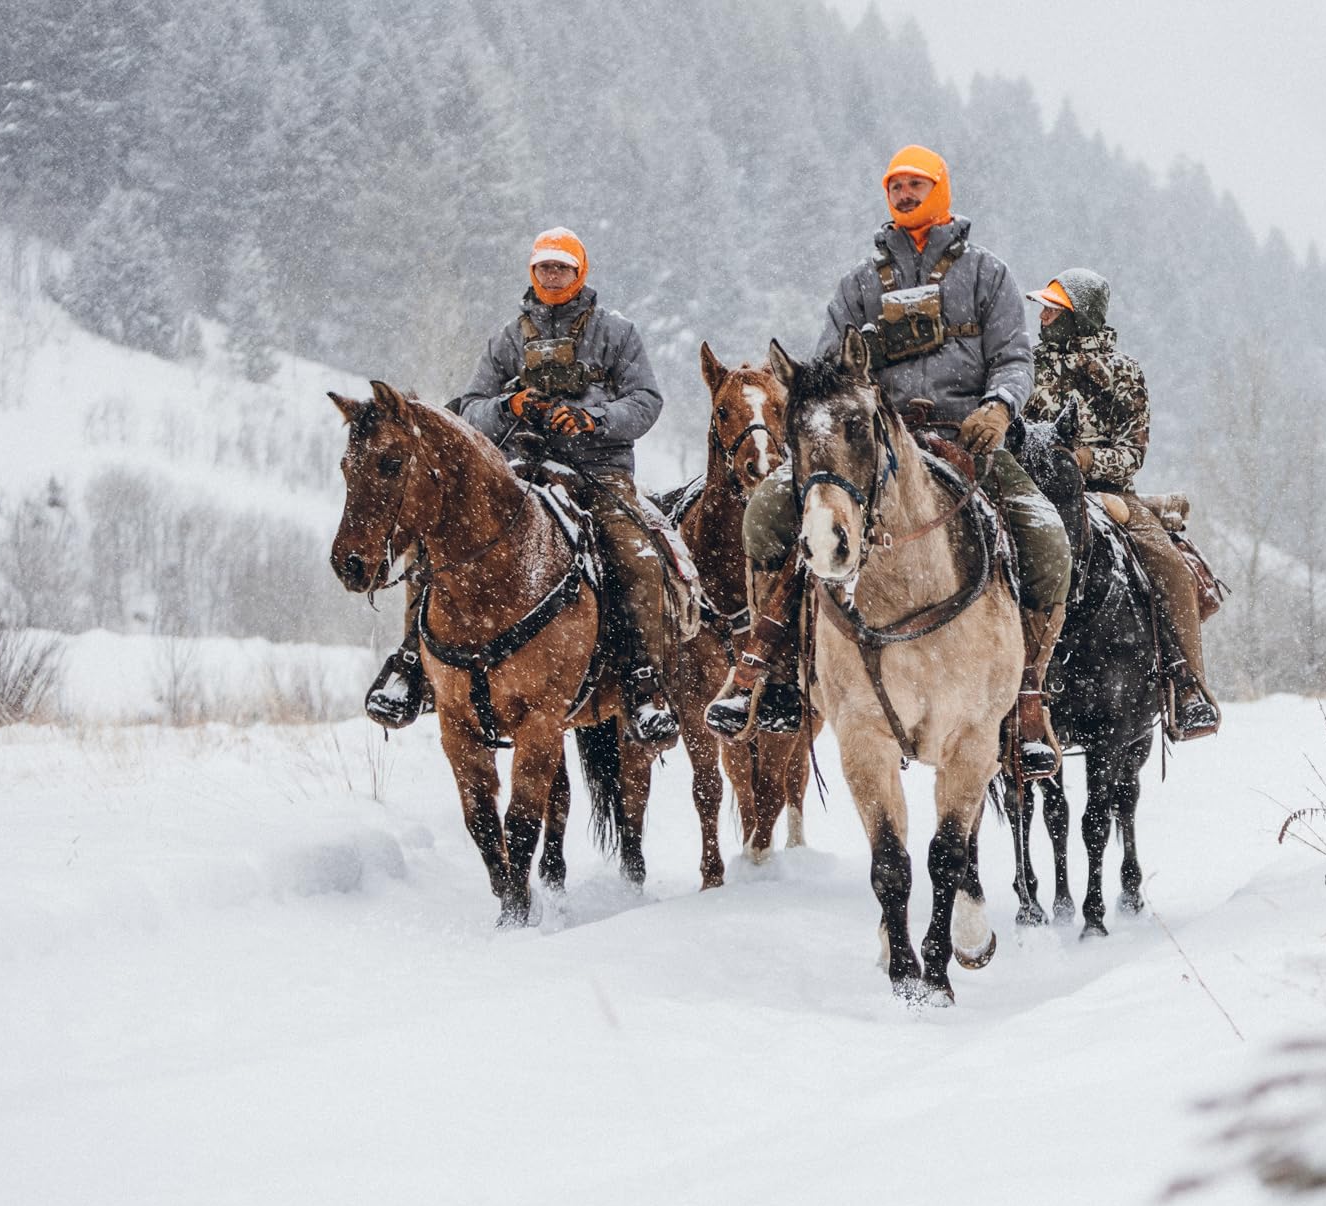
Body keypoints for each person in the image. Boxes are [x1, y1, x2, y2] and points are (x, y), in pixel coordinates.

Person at [708, 147, 1074, 768]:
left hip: (970, 440)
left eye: (915, 185)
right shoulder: (857, 285)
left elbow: (1015, 354)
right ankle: (765, 669)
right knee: (767, 515)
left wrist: (1000, 406)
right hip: (872, 443)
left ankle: (1029, 698)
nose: (903, 194)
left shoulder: (988, 274)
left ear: (940, 190)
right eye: (895, 186)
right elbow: (825, 368)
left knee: (1047, 541)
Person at [362, 227, 683, 746]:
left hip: (598, 472)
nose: (552, 275)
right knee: (431, 546)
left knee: (635, 553)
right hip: (517, 469)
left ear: (581, 273)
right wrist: (509, 408)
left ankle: (642, 682)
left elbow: (646, 400)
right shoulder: (506, 339)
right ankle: (409, 667)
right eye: (544, 267)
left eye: (562, 268)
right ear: (531, 273)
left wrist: (592, 420)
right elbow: (468, 410)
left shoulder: (617, 334)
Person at [1026, 269, 1220, 738]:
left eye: (1054, 307)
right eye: (1044, 307)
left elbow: (1132, 453)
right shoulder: (1023, 366)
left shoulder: (1125, 374)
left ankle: (1188, 684)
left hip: (1108, 495)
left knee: (1170, 565)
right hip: (1031, 488)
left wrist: (1082, 460)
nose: (1044, 315)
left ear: (1079, 317)